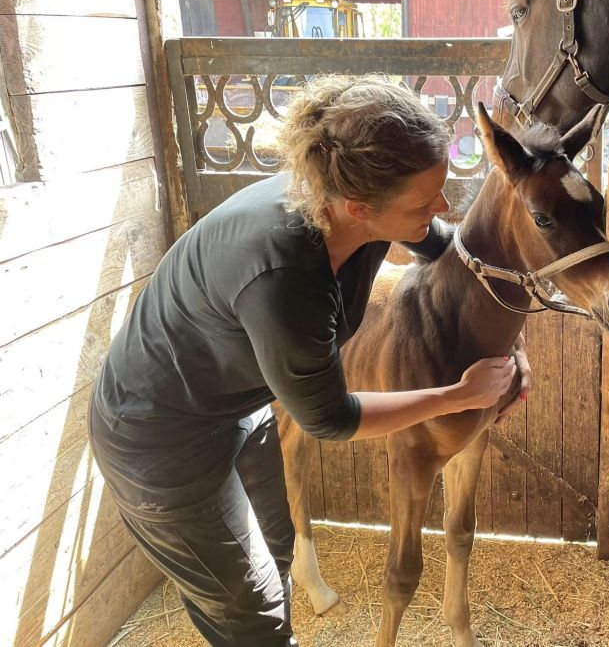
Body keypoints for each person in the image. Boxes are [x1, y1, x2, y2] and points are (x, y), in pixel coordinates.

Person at [88, 75, 531, 646]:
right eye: (425, 201)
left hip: (231, 406)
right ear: (359, 208)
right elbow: (332, 419)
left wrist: (511, 344)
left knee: (274, 556)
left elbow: (455, 252)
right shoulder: (286, 276)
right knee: (250, 613)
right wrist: (457, 397)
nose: (442, 207)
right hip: (157, 434)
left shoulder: (347, 205)